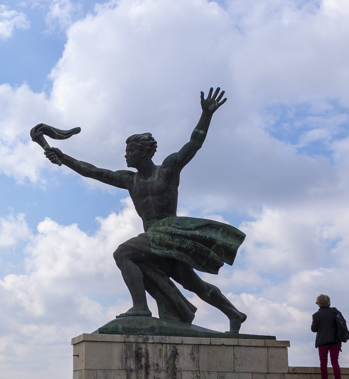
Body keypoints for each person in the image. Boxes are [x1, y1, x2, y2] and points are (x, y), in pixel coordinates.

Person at [38, 88, 247, 333]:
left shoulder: (167, 170)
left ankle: (140, 307)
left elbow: (194, 144)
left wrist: (206, 115)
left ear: (145, 152)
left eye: (131, 151)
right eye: (126, 152)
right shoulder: (130, 180)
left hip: (169, 231)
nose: (126, 156)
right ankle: (234, 313)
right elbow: (91, 170)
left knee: (123, 253)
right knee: (193, 284)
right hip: (155, 238)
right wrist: (63, 156)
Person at [310, 294, 343, 379]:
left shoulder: (316, 315)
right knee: (335, 361)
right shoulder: (334, 311)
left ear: (318, 303)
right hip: (335, 341)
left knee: (323, 363)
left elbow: (314, 329)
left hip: (322, 342)